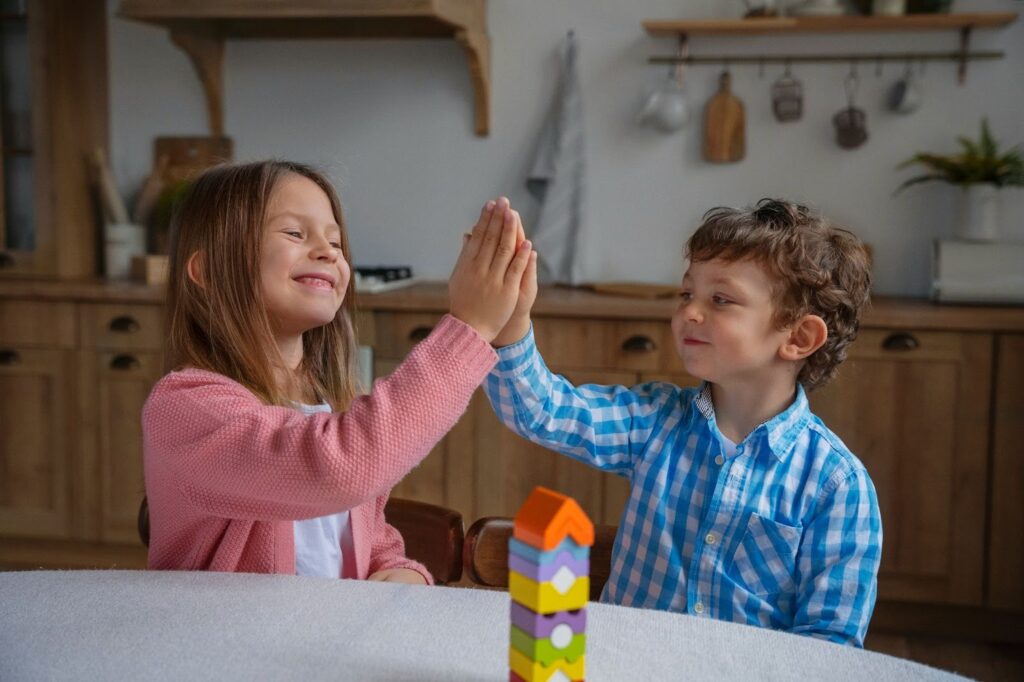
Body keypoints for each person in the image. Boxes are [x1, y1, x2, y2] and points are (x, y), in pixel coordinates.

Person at [485, 198, 882, 646]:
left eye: (721, 300)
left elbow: (829, 645)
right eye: (687, 294)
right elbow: (543, 411)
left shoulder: (837, 486)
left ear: (800, 337)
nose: (689, 312)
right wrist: (510, 321)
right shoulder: (655, 421)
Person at [143, 160, 534, 584]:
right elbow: (338, 469)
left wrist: (399, 570)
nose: (329, 252)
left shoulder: (332, 404)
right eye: (295, 233)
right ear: (208, 272)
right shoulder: (184, 408)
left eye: (335, 241)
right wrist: (469, 330)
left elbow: (367, 537)